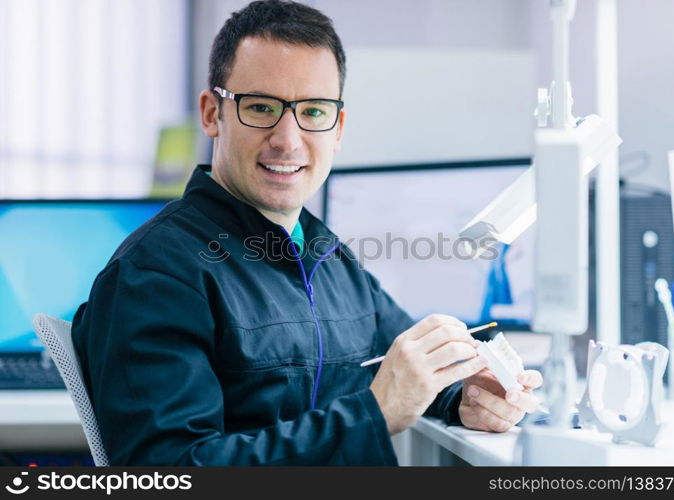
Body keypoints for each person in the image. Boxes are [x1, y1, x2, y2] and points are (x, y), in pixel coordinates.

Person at [72, 0, 543, 466]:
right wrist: (373, 413)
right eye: (261, 107)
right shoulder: (157, 273)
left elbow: (407, 368)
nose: (288, 139)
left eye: (313, 112)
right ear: (213, 113)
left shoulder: (326, 256)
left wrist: (464, 395)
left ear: (337, 127)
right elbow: (171, 472)